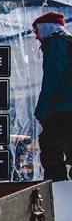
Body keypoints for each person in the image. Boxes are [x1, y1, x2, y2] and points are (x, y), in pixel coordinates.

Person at [33, 11, 72, 181]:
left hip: (62, 111)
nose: (37, 37)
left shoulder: (55, 43)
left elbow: (52, 80)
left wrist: (42, 111)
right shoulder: (68, 42)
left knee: (50, 149)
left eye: (37, 32)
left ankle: (56, 189)